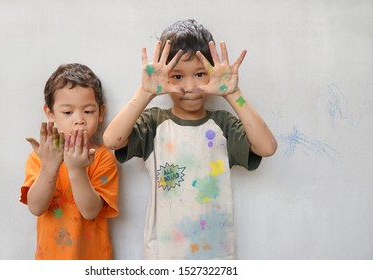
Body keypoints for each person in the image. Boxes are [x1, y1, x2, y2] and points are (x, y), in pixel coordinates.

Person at [103, 19, 277, 259]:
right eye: (177, 76)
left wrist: (233, 93)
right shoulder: (155, 123)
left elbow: (266, 147)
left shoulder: (222, 125)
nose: (190, 86)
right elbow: (112, 140)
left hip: (215, 256)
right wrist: (145, 92)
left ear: (212, 73)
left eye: (200, 74)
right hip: (162, 256)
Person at [20, 63, 119, 259]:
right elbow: (36, 207)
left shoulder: (101, 157)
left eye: (88, 111)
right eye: (67, 112)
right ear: (50, 113)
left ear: (101, 113)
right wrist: (49, 167)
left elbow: (91, 212)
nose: (79, 120)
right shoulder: (41, 157)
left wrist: (77, 170)